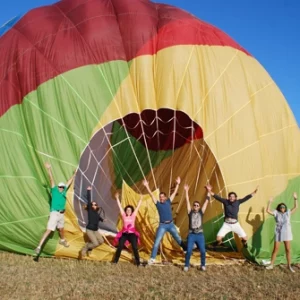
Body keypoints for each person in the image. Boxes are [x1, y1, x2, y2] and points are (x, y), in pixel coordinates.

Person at [143, 177, 187, 265]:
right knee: (157, 241)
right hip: (162, 225)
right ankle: (152, 258)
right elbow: (151, 195)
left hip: (170, 224)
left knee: (178, 239)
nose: (161, 198)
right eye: (160, 197)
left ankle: (186, 250)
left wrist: (178, 184)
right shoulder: (158, 204)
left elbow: (174, 193)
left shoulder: (168, 201)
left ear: (165, 197)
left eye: (163, 197)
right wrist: (147, 186)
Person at [35, 162, 75, 255]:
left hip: (61, 214)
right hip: (54, 213)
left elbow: (69, 181)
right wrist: (49, 169)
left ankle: (62, 240)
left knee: (61, 229)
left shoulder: (64, 191)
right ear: (58, 187)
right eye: (60, 186)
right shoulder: (55, 191)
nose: (61, 188)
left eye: (62, 187)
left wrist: (74, 174)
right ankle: (38, 247)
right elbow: (51, 179)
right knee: (49, 230)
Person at [265, 193, 298, 272]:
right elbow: (267, 210)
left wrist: (295, 199)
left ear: (285, 208)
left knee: (288, 249)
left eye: (283, 207)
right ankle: (271, 265)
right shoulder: (276, 213)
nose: (282, 208)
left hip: (287, 233)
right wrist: (269, 202)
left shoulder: (288, 213)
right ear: (279, 208)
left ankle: (289, 266)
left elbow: (296, 207)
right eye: (281, 207)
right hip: (278, 233)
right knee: (275, 249)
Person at [183, 184, 210, 272]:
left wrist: (208, 191)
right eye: (194, 205)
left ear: (199, 207)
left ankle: (203, 265)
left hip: (200, 235)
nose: (196, 206)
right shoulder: (190, 212)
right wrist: (186, 191)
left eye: (197, 205)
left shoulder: (201, 212)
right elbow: (187, 201)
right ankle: (186, 265)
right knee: (189, 251)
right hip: (191, 234)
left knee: (202, 251)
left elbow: (206, 201)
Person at [112, 192, 142, 266]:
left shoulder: (133, 215)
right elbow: (120, 207)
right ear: (125, 211)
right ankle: (115, 261)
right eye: (127, 210)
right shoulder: (123, 215)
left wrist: (141, 199)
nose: (128, 211)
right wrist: (117, 199)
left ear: (132, 211)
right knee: (120, 246)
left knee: (135, 247)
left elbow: (138, 207)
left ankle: (138, 262)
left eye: (130, 210)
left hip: (132, 234)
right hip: (124, 234)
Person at [79, 186, 105, 259]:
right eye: (92, 204)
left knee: (101, 241)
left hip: (95, 230)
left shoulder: (96, 213)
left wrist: (102, 220)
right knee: (95, 243)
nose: (94, 205)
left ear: (97, 206)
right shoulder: (90, 210)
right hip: (90, 229)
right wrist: (89, 191)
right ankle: (85, 247)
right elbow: (89, 200)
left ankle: (90, 247)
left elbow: (98, 218)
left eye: (95, 204)